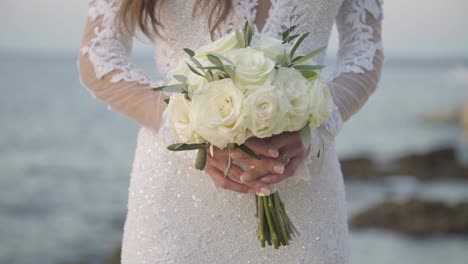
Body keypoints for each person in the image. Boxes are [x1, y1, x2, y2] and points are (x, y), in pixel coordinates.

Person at [78, 0, 384, 263]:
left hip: (306, 199)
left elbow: (364, 53)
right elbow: (99, 55)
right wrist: (182, 124)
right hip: (178, 200)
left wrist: (319, 125)